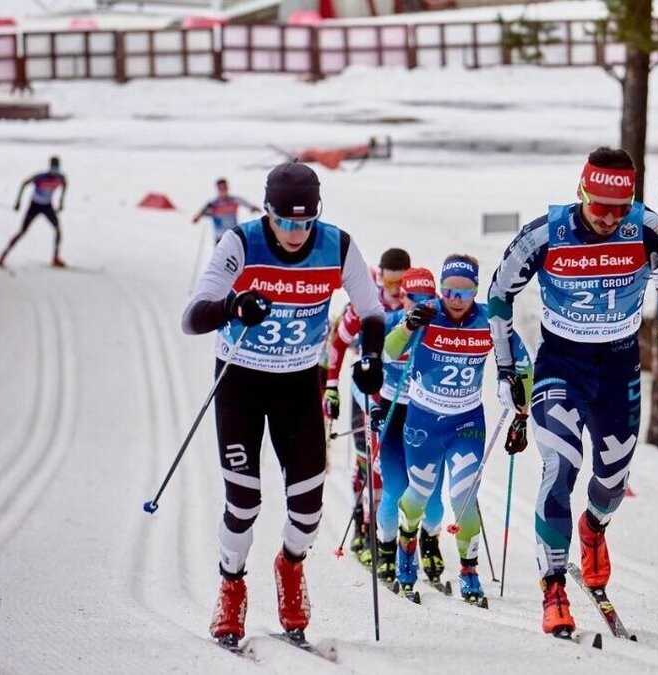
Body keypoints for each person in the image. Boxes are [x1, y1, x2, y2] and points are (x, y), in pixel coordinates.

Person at [486, 147, 658, 636]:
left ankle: (593, 529)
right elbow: (498, 297)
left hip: (618, 365)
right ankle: (554, 587)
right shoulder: (545, 234)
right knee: (560, 464)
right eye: (600, 205)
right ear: (581, 192)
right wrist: (505, 367)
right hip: (561, 363)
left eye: (620, 208)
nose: (609, 218)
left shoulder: (647, 228)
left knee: (611, 481)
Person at [181, 160, 388, 648]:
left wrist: (372, 358)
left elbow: (372, 309)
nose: (296, 233)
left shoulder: (336, 244)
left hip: (298, 384)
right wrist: (232, 306)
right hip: (240, 382)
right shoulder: (241, 242)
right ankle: (231, 586)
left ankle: (290, 568)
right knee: (244, 500)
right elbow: (192, 317)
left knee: (309, 507)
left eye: (305, 222)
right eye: (286, 222)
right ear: (268, 212)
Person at [385, 254, 531, 605]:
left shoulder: (489, 322)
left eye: (465, 294)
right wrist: (407, 325)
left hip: (466, 422)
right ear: (441, 289)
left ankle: (469, 570)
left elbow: (523, 363)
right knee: (418, 495)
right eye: (449, 292)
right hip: (422, 422)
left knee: (463, 498)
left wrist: (519, 408)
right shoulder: (427, 315)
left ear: (476, 292)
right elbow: (388, 353)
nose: (456, 300)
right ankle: (406, 552)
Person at [322, 247, 413, 566]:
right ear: (381, 277)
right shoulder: (365, 302)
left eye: (402, 283)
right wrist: (331, 386)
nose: (396, 290)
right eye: (391, 283)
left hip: (401, 393)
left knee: (398, 466)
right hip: (366, 392)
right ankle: (364, 526)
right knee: (368, 463)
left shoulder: (415, 302)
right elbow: (338, 342)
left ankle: (399, 532)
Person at [0, 156, 67, 268]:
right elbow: (24, 184)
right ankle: (3, 256)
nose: (55, 169)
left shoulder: (61, 178)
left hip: (48, 206)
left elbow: (65, 186)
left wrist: (61, 202)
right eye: (53, 166)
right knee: (22, 231)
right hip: (34, 206)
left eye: (56, 166)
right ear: (50, 166)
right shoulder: (41, 177)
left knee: (58, 230)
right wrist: (18, 202)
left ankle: (55, 258)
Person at [192, 178, 261, 247]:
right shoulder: (213, 203)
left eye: (224, 187)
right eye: (220, 188)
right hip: (220, 237)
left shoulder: (234, 200)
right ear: (218, 189)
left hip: (233, 235)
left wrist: (253, 208)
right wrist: (202, 215)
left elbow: (247, 204)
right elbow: (198, 216)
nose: (223, 190)